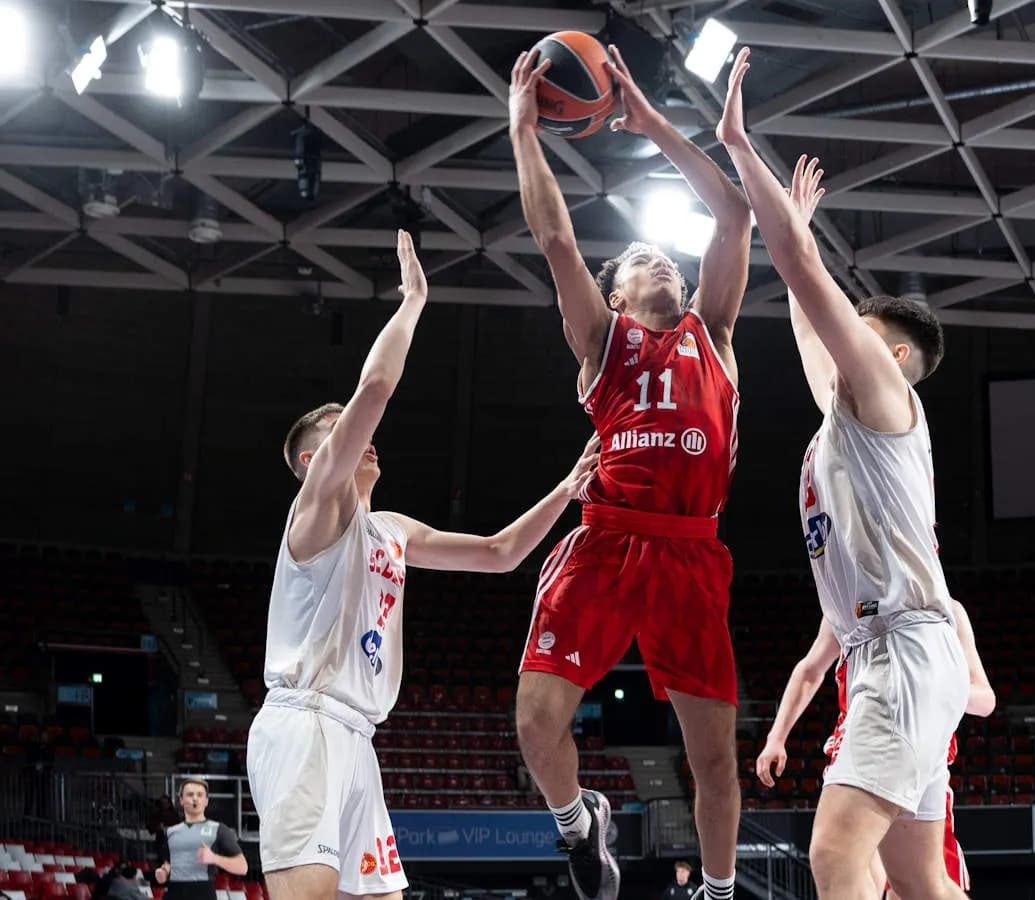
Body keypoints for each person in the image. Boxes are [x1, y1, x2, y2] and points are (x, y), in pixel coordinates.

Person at [246, 230, 602, 900]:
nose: (363, 434)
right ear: (312, 462)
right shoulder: (317, 511)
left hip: (358, 738)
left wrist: (566, 489)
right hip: (305, 723)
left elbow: (500, 554)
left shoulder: (393, 529)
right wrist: (412, 301)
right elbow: (377, 386)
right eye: (341, 428)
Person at [719, 49, 969, 900]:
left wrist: (740, 149)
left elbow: (802, 273)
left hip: (901, 650)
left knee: (834, 856)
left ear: (890, 355)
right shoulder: (850, 416)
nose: (841, 337)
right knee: (919, 881)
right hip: (886, 655)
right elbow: (805, 316)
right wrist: (795, 222)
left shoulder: (888, 397)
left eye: (857, 330)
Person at [507, 41, 752, 900]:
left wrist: (653, 125)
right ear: (615, 295)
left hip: (689, 551)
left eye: (669, 260)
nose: (667, 264)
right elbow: (554, 237)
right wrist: (523, 130)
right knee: (535, 725)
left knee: (713, 759)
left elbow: (734, 219)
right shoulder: (600, 343)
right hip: (605, 544)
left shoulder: (713, 335)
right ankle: (580, 826)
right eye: (648, 259)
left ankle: (718, 892)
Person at [757, 601, 994, 896]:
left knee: (917, 886)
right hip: (863, 743)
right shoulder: (845, 602)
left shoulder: (945, 611)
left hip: (920, 755)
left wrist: (932, 685)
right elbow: (809, 669)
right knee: (851, 865)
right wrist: (776, 736)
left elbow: (986, 700)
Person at [153, 778, 247, 900]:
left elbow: (242, 867)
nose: (195, 798)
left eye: (200, 795)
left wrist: (214, 858)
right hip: (173, 892)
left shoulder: (219, 829)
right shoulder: (170, 832)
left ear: (206, 801)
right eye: (190, 794)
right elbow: (167, 863)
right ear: (181, 800)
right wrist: (164, 873)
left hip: (203, 892)